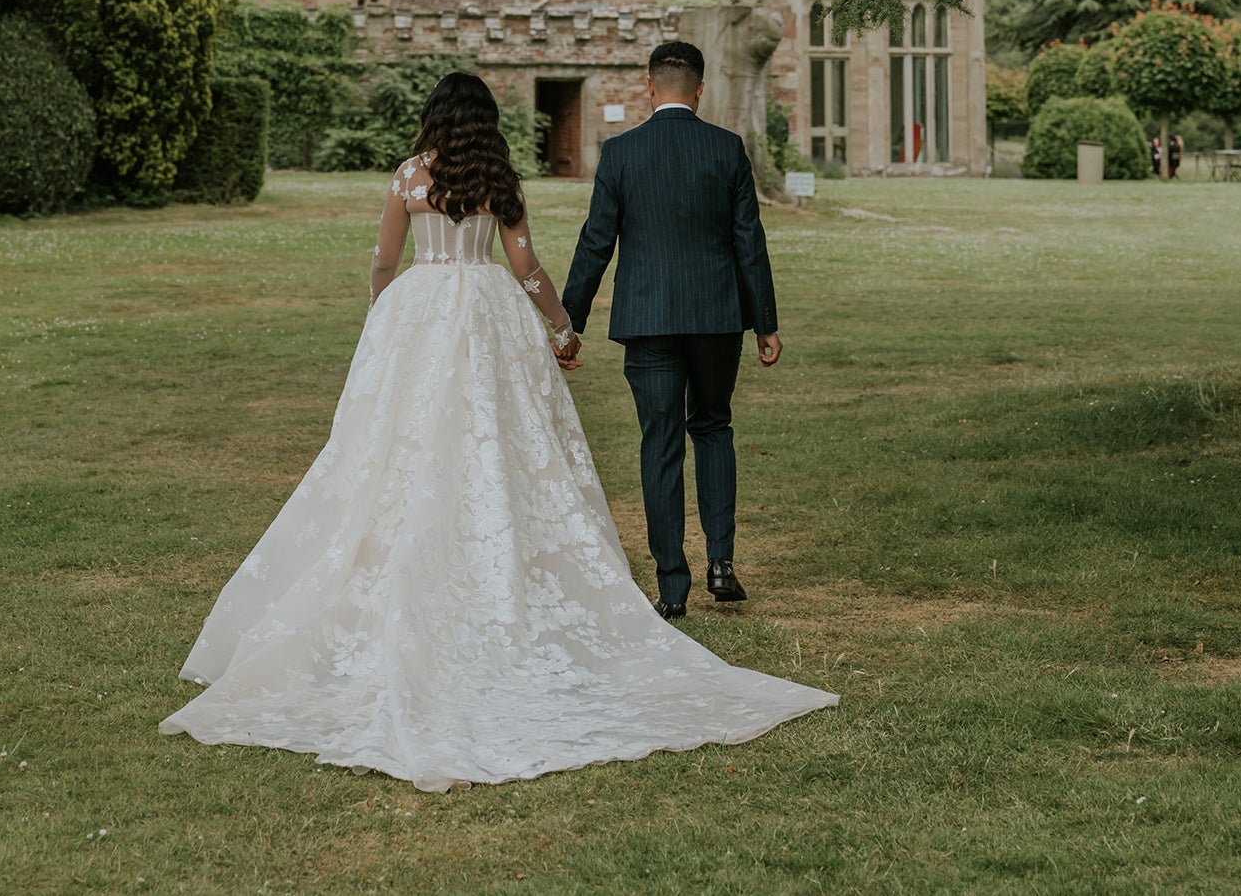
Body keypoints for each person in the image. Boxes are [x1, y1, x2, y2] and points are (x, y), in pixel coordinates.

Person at [160, 70, 834, 790]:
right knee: (500, 443)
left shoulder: (409, 176)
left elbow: (386, 258)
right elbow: (526, 265)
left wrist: (385, 313)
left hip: (421, 308)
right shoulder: (498, 178)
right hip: (485, 308)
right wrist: (562, 324)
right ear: (485, 122)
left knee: (405, 445)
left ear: (432, 117)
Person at [561, 40, 780, 621]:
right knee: (712, 426)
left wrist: (569, 322)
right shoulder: (726, 149)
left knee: (659, 443)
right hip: (716, 319)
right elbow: (748, 241)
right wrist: (765, 322)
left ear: (650, 86)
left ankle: (672, 587)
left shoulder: (621, 153)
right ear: (700, 89)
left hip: (649, 319)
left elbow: (595, 241)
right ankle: (722, 564)